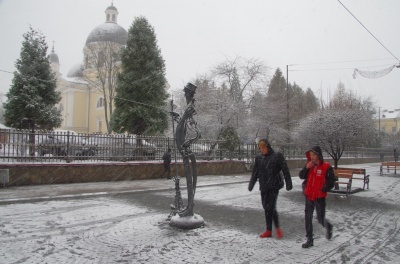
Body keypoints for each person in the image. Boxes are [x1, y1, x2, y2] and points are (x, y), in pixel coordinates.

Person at [248, 138, 293, 239]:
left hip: (274, 186)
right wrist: (251, 184)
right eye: (260, 148)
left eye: (263, 147)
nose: (262, 150)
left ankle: (275, 229)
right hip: (263, 186)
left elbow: (285, 169)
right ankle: (269, 230)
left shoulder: (277, 156)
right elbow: (255, 172)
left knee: (270, 207)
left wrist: (288, 183)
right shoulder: (259, 158)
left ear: (268, 146)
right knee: (266, 207)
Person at [299, 146, 335, 248]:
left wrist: (325, 188)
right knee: (308, 218)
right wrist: (306, 168)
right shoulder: (308, 165)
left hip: (320, 197)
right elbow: (301, 176)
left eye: (314, 155)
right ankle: (309, 239)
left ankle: (328, 227)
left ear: (318, 155)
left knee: (320, 218)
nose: (312, 157)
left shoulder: (326, 167)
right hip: (309, 195)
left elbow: (331, 181)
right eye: (310, 155)